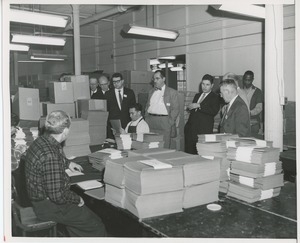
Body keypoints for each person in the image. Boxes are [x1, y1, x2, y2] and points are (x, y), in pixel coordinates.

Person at [25, 110, 106, 237]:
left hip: (40, 200)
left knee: (79, 225)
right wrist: (77, 198)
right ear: (66, 131)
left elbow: (52, 156)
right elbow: (57, 195)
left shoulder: (43, 140)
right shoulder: (50, 155)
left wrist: (67, 163)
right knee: (94, 224)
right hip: (48, 206)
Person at [184, 74, 220, 154]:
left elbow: (214, 111)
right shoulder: (197, 95)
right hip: (191, 130)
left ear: (212, 85)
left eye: (207, 85)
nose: (204, 87)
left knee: (201, 153)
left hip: (203, 130)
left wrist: (199, 105)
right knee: (189, 153)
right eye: (203, 84)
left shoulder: (215, 97)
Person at [145, 70, 179, 148]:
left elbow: (175, 109)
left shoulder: (172, 92)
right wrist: (146, 118)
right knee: (151, 145)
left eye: (157, 78)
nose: (155, 81)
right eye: (154, 79)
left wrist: (170, 122)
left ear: (164, 79)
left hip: (164, 122)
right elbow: (147, 106)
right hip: (150, 121)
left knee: (164, 146)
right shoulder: (151, 92)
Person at [106, 72, 136, 138]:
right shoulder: (108, 94)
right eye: (114, 82)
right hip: (114, 126)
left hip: (127, 124)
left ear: (122, 81)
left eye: (118, 81)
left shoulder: (130, 92)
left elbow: (133, 109)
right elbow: (107, 111)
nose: (116, 84)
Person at [242, 70, 263, 137]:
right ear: (243, 79)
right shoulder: (239, 91)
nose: (247, 82)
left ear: (252, 80)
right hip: (241, 122)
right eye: (245, 80)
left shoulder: (258, 92)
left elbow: (259, 108)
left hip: (253, 123)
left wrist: (249, 113)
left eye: (249, 80)